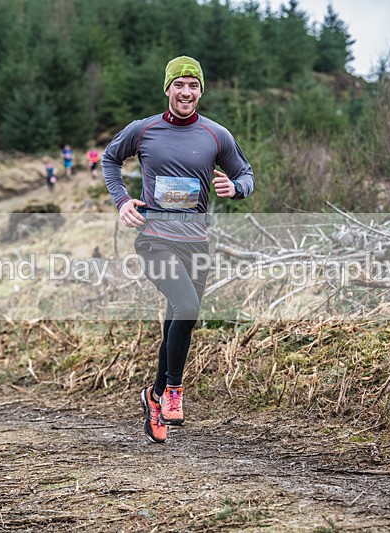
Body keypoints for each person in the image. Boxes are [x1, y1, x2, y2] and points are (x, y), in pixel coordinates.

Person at [103, 55, 254, 444]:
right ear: (167, 88)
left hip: (196, 242)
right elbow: (109, 159)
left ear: (201, 91)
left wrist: (235, 188)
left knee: (178, 316)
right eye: (179, 85)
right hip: (155, 239)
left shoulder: (215, 135)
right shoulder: (145, 130)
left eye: (193, 85)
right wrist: (121, 200)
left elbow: (245, 173)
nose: (186, 92)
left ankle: (153, 397)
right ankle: (172, 392)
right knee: (186, 307)